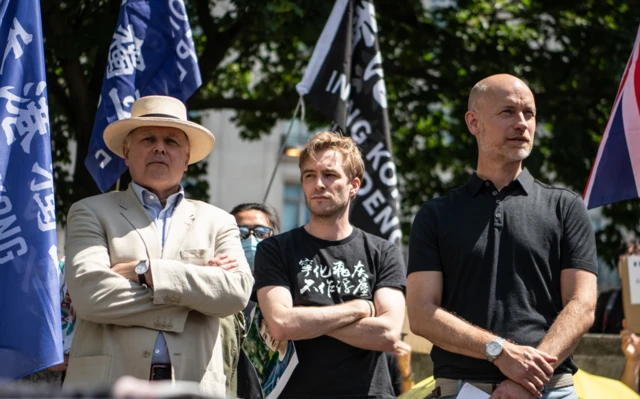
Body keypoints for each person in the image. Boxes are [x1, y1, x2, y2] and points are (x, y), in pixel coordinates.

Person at [406, 74, 598, 399]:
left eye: (529, 113)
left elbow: (583, 304)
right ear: (473, 122)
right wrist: (498, 350)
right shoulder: (435, 215)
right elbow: (422, 313)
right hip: (461, 389)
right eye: (508, 112)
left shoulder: (566, 207)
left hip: (547, 389)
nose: (522, 124)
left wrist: (527, 377)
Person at [63, 95, 253, 397]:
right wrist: (195, 299)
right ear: (126, 152)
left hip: (194, 386)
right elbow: (90, 295)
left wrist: (146, 271)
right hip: (108, 385)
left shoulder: (219, 221)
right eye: (148, 138)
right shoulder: (89, 211)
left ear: (187, 158)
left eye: (172, 141)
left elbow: (236, 293)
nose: (160, 147)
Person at [254, 131, 407, 398]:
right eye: (309, 175)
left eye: (330, 175)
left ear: (354, 185)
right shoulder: (275, 249)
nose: (319, 184)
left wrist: (304, 319)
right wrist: (361, 308)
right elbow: (281, 324)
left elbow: (388, 334)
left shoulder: (384, 252)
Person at [229, 202, 280, 399]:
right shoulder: (216, 287)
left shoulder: (284, 291)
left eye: (261, 232)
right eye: (240, 232)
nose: (251, 239)